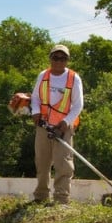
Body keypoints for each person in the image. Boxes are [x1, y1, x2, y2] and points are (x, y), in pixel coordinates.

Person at [21, 44, 85, 205]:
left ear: (67, 60)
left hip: (63, 127)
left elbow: (78, 105)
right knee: (42, 162)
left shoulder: (73, 78)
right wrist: (35, 111)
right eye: (55, 57)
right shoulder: (43, 75)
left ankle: (61, 199)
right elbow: (35, 97)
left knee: (63, 164)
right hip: (43, 125)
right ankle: (41, 196)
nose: (58, 61)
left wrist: (65, 122)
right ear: (50, 58)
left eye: (62, 58)